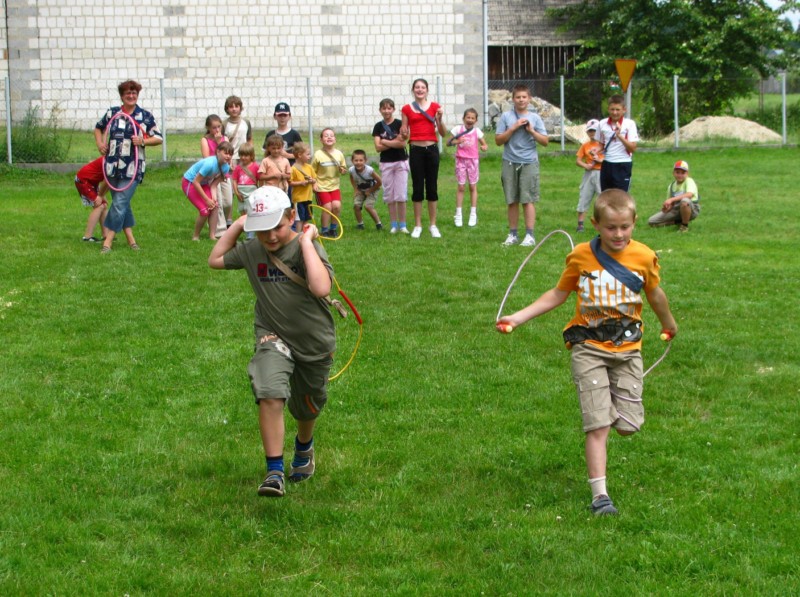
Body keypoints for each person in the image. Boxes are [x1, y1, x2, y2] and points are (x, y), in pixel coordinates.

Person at [497, 189, 678, 516]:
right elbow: (558, 294)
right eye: (610, 227)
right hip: (588, 348)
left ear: (635, 222)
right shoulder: (581, 256)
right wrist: (518, 317)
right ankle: (600, 497)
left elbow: (655, 294)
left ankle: (610, 407)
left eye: (624, 227)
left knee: (627, 426)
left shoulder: (644, 257)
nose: (618, 234)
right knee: (598, 425)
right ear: (596, 224)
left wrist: (669, 324)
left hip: (628, 349)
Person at [208, 186, 336, 498]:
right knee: (269, 392)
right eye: (262, 229)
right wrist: (239, 225)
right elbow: (215, 259)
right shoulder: (253, 249)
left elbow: (321, 288)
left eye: (277, 227)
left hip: (313, 340)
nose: (270, 236)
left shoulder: (305, 248)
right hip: (272, 335)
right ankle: (274, 472)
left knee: (307, 406)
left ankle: (304, 446)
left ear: (291, 217)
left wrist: (306, 241)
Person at [94, 80, 162, 253]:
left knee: (119, 203)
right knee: (123, 204)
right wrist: (100, 144)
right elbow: (98, 128)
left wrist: (143, 141)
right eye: (127, 94)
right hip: (112, 166)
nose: (131, 96)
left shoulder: (144, 116)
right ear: (122, 96)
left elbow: (158, 138)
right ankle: (132, 241)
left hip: (133, 168)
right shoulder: (113, 113)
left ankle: (108, 241)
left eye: (134, 93)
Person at [494, 83, 549, 247]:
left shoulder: (535, 118)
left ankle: (529, 235)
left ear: (529, 99)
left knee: (527, 199)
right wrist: (513, 128)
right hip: (509, 161)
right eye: (518, 97)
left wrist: (531, 131)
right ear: (513, 99)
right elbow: (498, 141)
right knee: (512, 199)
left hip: (529, 162)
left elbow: (545, 141)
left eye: (524, 97)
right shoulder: (506, 117)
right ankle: (513, 234)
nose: (521, 100)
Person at [400, 78, 448, 239]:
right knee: (418, 187)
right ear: (413, 90)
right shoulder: (406, 109)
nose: (420, 90)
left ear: (427, 90)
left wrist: (439, 119)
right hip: (416, 150)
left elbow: (443, 133)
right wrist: (403, 133)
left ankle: (433, 225)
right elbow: (404, 132)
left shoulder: (435, 107)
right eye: (417, 87)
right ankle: (418, 225)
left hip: (432, 149)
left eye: (423, 87)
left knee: (432, 187)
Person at [181, 141, 234, 240]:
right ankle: (195, 236)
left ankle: (212, 236)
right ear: (218, 152)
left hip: (203, 184)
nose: (228, 156)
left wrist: (213, 198)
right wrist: (206, 200)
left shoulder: (225, 168)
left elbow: (214, 185)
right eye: (226, 153)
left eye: (230, 154)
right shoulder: (209, 164)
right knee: (204, 211)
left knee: (215, 206)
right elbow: (196, 182)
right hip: (190, 183)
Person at [372, 98, 409, 234]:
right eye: (384, 108)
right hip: (386, 163)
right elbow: (377, 147)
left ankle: (403, 225)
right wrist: (394, 141)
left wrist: (385, 141)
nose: (386, 111)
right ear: (380, 110)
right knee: (389, 195)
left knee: (401, 195)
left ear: (393, 109)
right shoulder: (378, 126)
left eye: (389, 108)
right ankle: (394, 225)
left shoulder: (400, 124)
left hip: (401, 162)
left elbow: (402, 143)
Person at [447, 108, 488, 228]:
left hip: (473, 161)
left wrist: (484, 147)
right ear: (463, 118)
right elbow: (448, 143)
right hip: (460, 160)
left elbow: (484, 144)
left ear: (476, 120)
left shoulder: (477, 131)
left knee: (472, 186)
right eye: (468, 117)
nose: (470, 120)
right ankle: (458, 214)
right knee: (461, 186)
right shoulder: (457, 129)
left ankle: (473, 214)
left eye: (472, 118)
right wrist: (457, 141)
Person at [219, 95, 253, 233]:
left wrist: (250, 156)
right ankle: (228, 220)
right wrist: (228, 159)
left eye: (236, 106)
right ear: (227, 109)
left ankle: (246, 217)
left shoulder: (246, 122)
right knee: (229, 190)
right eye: (231, 107)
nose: (234, 109)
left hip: (243, 159)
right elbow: (221, 142)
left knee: (243, 188)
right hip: (229, 159)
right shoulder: (224, 124)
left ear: (240, 108)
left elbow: (249, 139)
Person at [594, 94, 638, 192]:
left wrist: (620, 136)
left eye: (618, 110)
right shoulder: (602, 123)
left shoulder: (629, 124)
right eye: (612, 109)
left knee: (621, 195)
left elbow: (633, 148)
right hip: (607, 164)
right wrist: (595, 150)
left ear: (624, 110)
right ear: (608, 109)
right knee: (606, 194)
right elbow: (602, 144)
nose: (615, 112)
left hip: (623, 163)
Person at [311, 128, 347, 238]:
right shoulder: (318, 154)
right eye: (326, 136)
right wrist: (314, 183)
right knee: (327, 207)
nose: (329, 137)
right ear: (321, 140)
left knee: (336, 206)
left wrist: (343, 170)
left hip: (334, 186)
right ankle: (324, 230)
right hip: (321, 186)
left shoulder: (339, 154)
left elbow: (343, 168)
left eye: (331, 135)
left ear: (335, 139)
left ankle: (333, 229)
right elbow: (312, 171)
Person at [647, 160, 700, 233]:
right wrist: (667, 207)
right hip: (676, 209)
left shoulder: (689, 181)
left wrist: (671, 199)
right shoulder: (671, 186)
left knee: (685, 201)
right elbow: (671, 203)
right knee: (652, 222)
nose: (680, 175)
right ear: (673, 173)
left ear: (687, 173)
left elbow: (689, 195)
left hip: (692, 208)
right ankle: (678, 222)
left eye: (683, 173)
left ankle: (684, 226)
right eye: (677, 172)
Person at [200, 114, 230, 238]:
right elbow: (207, 158)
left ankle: (223, 222)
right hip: (212, 174)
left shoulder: (225, 138)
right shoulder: (205, 140)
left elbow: (228, 155)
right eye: (214, 128)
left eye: (219, 127)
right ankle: (220, 231)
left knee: (228, 202)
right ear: (208, 128)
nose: (217, 130)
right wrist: (217, 144)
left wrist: (220, 142)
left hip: (224, 173)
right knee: (218, 201)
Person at [575, 119, 604, 233]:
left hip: (601, 173)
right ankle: (580, 224)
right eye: (590, 131)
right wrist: (585, 166)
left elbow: (609, 159)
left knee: (602, 197)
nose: (592, 133)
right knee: (584, 196)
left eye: (594, 131)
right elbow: (578, 160)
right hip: (589, 173)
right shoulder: (585, 145)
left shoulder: (604, 145)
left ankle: (603, 222)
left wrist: (600, 160)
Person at [74, 157, 109, 242]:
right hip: (84, 181)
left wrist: (102, 195)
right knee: (99, 206)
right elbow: (108, 181)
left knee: (103, 205)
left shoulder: (112, 159)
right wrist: (101, 196)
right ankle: (87, 237)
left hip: (92, 182)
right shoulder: (112, 162)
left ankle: (106, 235)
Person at [349, 149, 383, 231]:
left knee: (368, 206)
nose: (358, 162)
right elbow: (351, 178)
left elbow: (380, 182)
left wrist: (370, 191)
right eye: (356, 160)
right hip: (360, 189)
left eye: (361, 160)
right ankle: (360, 224)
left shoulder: (369, 170)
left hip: (373, 189)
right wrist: (355, 189)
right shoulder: (351, 170)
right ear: (352, 161)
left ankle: (378, 224)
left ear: (365, 160)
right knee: (356, 206)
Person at [231, 142, 259, 239]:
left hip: (251, 191)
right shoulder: (238, 168)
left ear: (251, 156)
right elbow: (234, 180)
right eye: (241, 155)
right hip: (241, 192)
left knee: (250, 211)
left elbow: (259, 179)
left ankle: (250, 233)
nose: (243, 158)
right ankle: (247, 228)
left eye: (246, 155)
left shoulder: (255, 166)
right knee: (242, 211)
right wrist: (236, 192)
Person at [289, 142, 318, 233]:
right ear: (299, 155)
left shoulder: (309, 167)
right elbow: (290, 182)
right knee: (299, 219)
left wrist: (313, 182)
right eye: (308, 154)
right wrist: (301, 183)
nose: (310, 156)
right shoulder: (293, 168)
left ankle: (305, 235)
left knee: (306, 218)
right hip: (299, 199)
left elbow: (315, 179)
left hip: (308, 197)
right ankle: (298, 236)